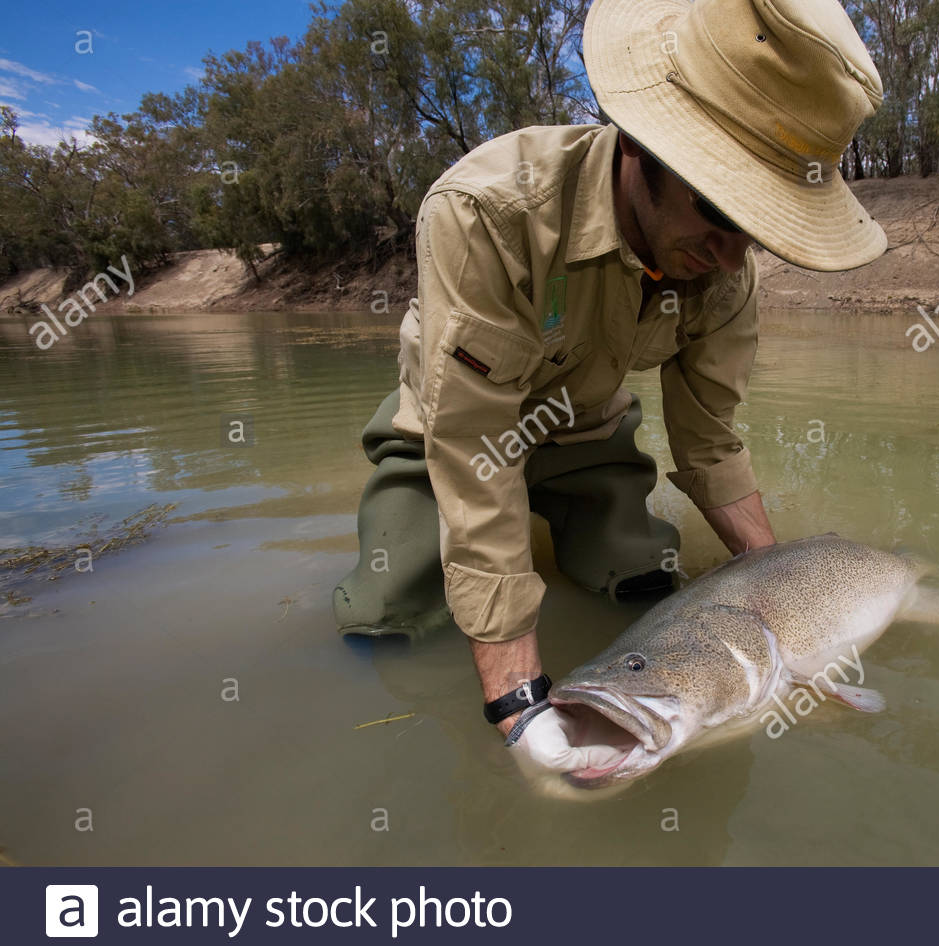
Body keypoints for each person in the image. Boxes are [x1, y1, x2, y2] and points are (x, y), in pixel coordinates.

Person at [333, 0, 887, 773]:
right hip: (447, 441)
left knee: (640, 585)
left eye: (756, 229)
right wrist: (515, 701)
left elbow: (709, 441)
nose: (733, 258)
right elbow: (475, 447)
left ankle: (577, 521)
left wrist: (784, 598)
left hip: (588, 438)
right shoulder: (487, 212)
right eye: (722, 211)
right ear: (639, 146)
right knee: (385, 618)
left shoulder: (726, 271)